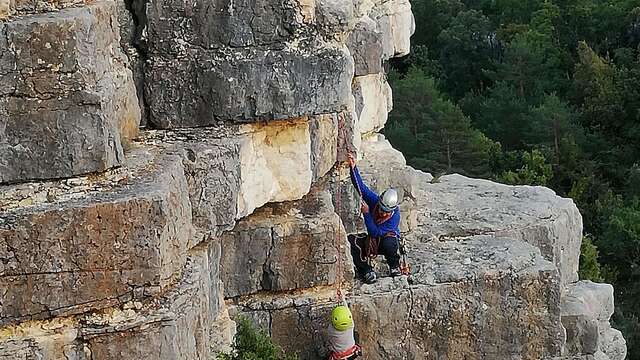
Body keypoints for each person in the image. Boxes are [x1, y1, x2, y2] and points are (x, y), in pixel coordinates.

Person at [347, 154, 401, 284]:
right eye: (382, 209)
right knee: (352, 241)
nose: (382, 213)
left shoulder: (395, 216)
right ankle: (366, 270)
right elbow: (361, 188)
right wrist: (353, 167)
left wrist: (366, 213)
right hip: (373, 240)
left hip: (383, 239)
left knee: (390, 243)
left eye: (386, 212)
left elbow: (375, 232)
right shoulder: (375, 201)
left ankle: (394, 266)